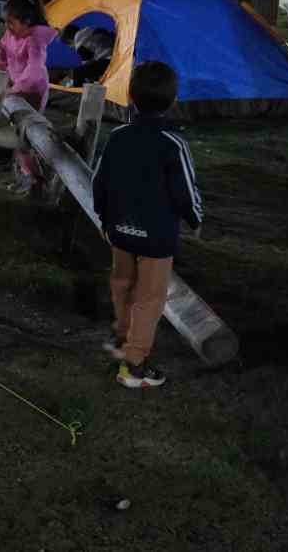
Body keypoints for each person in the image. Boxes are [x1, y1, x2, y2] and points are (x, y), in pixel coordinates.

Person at [91, 60, 204, 389]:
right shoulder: (174, 144)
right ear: (174, 101)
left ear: (129, 95)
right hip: (157, 238)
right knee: (149, 298)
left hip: (120, 232)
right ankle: (134, 366)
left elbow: (100, 182)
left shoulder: (117, 137)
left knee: (122, 283)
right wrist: (195, 219)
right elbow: (186, 190)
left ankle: (121, 338)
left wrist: (104, 218)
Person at [0, 0, 58, 190]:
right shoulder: (11, 33)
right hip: (16, 87)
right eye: (6, 22)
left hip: (33, 92)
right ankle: (28, 175)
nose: (7, 26)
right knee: (18, 132)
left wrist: (13, 89)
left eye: (11, 22)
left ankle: (34, 178)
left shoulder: (35, 40)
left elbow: (35, 72)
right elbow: (3, 50)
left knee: (25, 135)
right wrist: (0, 69)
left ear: (27, 22)